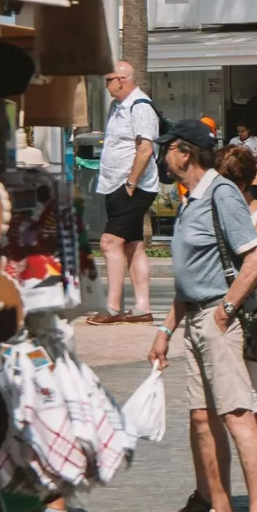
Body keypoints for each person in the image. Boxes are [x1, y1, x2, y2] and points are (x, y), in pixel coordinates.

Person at [146, 120, 257, 512]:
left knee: (238, 415)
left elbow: (255, 259)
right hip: (194, 319)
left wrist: (225, 311)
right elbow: (190, 275)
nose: (162, 154)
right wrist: (166, 329)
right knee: (201, 417)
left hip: (217, 320)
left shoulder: (221, 193)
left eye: (167, 147)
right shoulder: (192, 199)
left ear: (184, 153)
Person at [87, 62, 158, 325]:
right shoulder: (118, 107)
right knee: (132, 244)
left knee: (109, 242)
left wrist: (130, 183)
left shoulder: (140, 107)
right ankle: (143, 307)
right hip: (116, 183)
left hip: (132, 186)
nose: (106, 86)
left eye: (108, 80)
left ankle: (113, 307)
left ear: (121, 79)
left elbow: (145, 149)